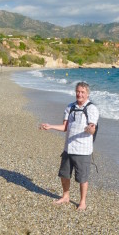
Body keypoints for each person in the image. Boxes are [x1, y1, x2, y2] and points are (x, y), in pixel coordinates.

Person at [40, 81, 99, 210]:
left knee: (82, 178)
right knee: (64, 174)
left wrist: (90, 129)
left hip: (83, 150)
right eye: (78, 91)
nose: (79, 94)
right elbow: (65, 127)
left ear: (87, 94)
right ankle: (66, 196)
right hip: (68, 148)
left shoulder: (91, 109)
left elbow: (92, 128)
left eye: (82, 92)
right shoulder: (70, 107)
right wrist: (50, 126)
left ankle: (82, 201)